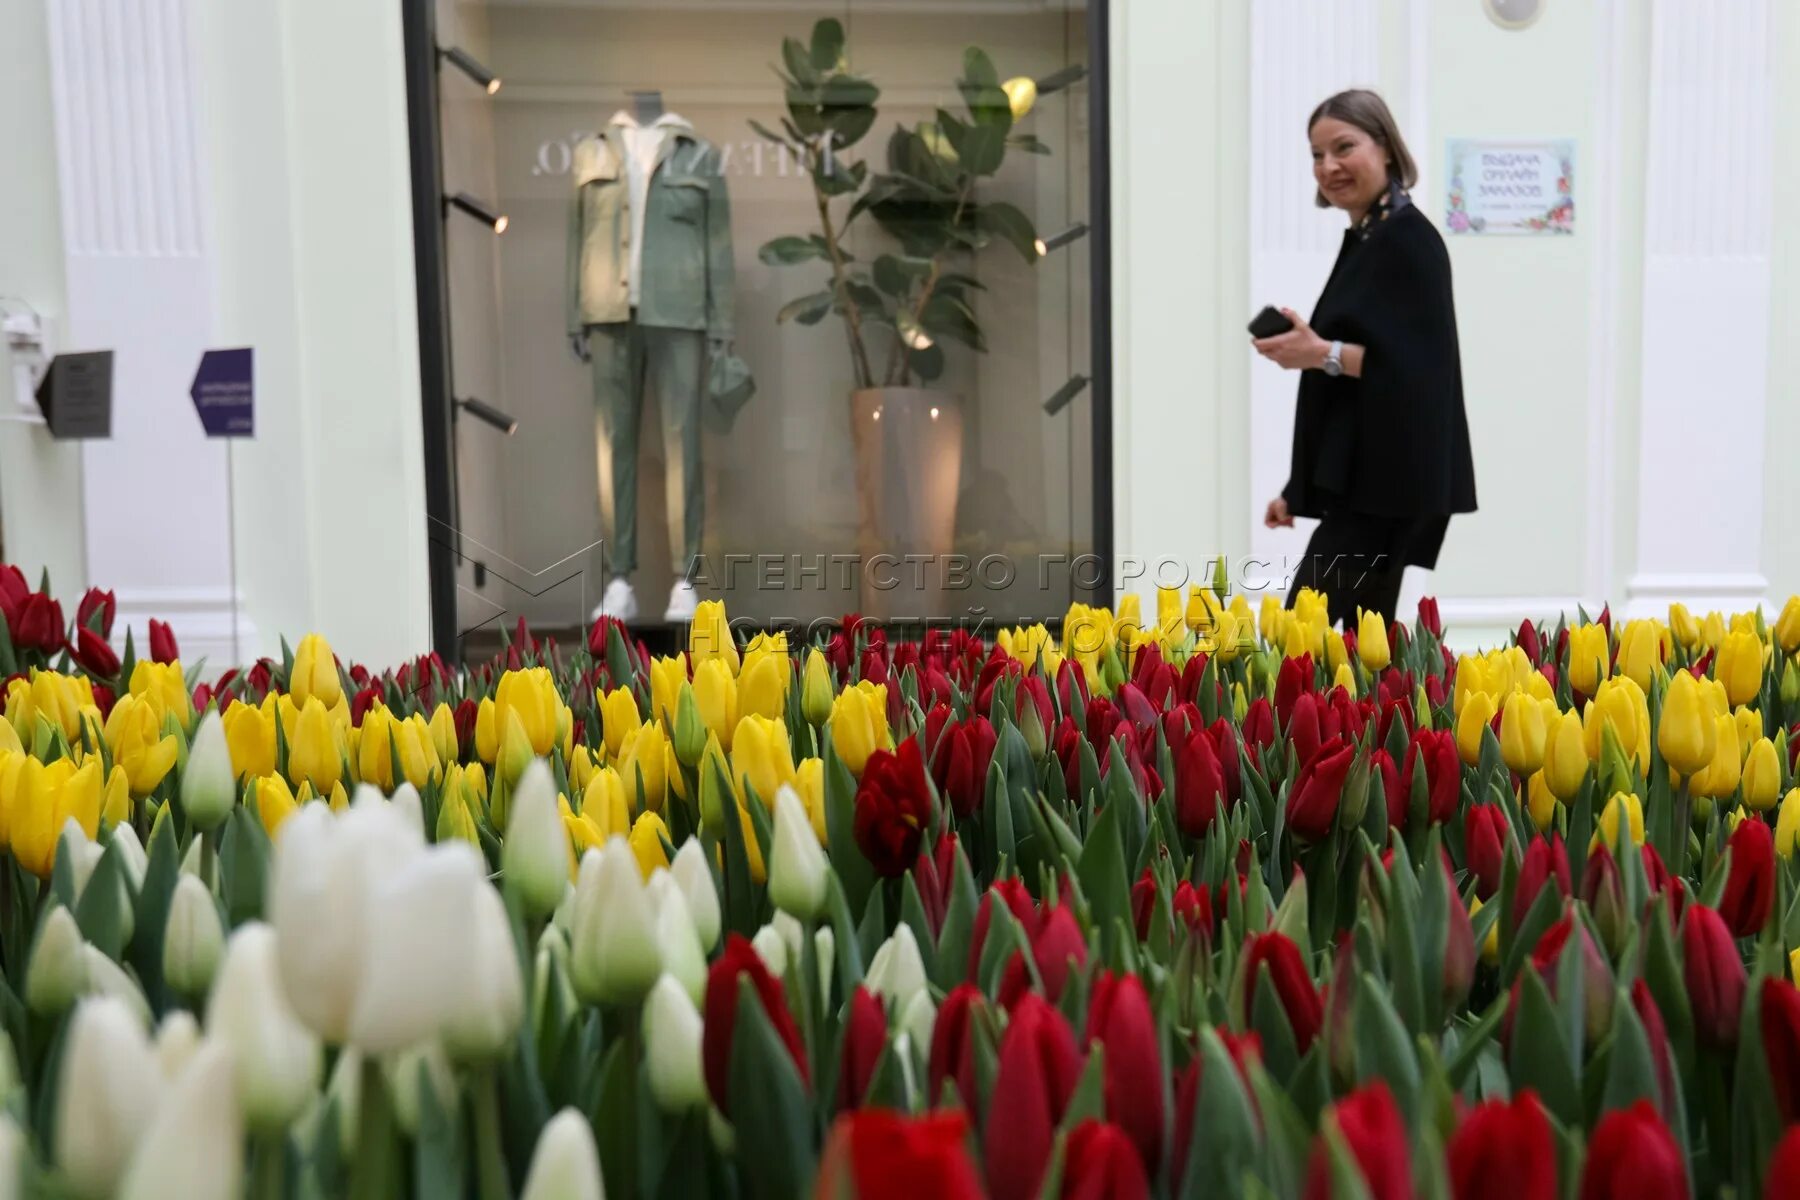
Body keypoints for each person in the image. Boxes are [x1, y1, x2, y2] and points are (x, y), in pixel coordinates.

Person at [1256, 88, 1476, 630]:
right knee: (1351, 651)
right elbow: (1364, 371)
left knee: (1304, 641)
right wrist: (1297, 488)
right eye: (1316, 154)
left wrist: (1319, 352)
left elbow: (1418, 372)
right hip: (1367, 486)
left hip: (1385, 490)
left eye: (1343, 147)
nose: (1328, 166)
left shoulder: (1407, 241)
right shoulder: (1371, 237)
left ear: (1385, 149)